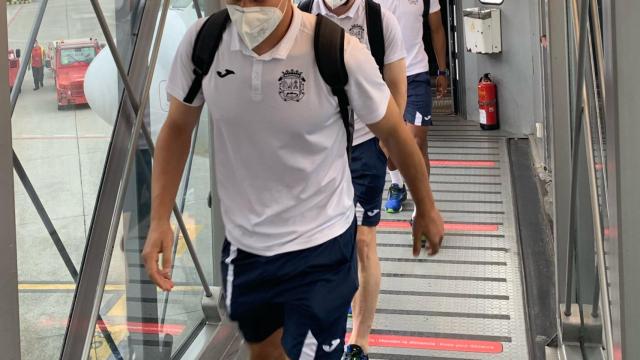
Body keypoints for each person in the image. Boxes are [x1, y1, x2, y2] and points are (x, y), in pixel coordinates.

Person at [142, 0, 445, 359]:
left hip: (321, 244)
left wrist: (425, 207)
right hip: (246, 247)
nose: (247, 4)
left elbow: (395, 131)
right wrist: (160, 217)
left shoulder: (336, 49)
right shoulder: (203, 44)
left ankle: (356, 339)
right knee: (265, 351)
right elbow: (177, 127)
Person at [302, 0, 406, 358]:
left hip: (364, 146)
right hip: (315, 150)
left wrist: (385, 140)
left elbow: (396, 84)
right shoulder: (301, 17)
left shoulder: (379, 22)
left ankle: (358, 341)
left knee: (363, 241)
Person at [378, 0, 449, 216]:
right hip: (382, 76)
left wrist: (442, 71)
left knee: (417, 143)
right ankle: (397, 185)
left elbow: (436, 29)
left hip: (416, 74)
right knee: (386, 143)